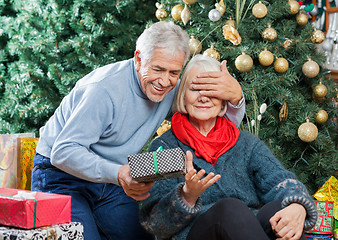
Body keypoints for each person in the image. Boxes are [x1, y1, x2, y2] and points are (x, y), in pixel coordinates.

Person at [31, 22, 245, 239]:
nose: (164, 81)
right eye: (158, 69)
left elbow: (213, 126)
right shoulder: (102, 91)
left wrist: (236, 96)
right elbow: (63, 152)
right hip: (61, 174)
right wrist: (117, 173)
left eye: (174, 72)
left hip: (113, 180)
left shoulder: (171, 89)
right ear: (138, 59)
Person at [139, 54, 318, 240]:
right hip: (193, 234)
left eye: (212, 90)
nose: (203, 97)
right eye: (195, 88)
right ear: (183, 96)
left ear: (224, 100)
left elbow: (280, 180)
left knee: (282, 209)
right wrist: (186, 196)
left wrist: (297, 206)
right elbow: (153, 223)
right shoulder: (163, 146)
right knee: (231, 208)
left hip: (244, 232)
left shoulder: (246, 143)